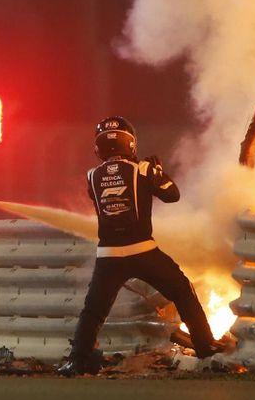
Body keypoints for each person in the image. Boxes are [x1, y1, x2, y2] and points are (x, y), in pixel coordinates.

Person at [57, 116, 218, 376]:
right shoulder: (143, 169)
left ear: (99, 147)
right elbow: (172, 195)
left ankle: (76, 360)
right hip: (142, 250)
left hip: (108, 256)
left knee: (93, 311)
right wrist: (158, 171)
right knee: (182, 290)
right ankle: (205, 345)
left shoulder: (92, 176)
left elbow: (108, 187)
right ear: (130, 143)